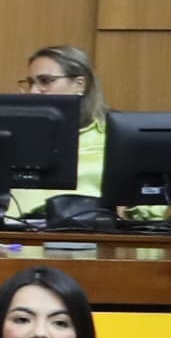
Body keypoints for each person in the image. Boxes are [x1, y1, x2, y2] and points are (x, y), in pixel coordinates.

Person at [7, 43, 112, 216]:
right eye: (30, 82)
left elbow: (148, 207)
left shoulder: (112, 138)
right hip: (18, 238)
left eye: (45, 81)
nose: (34, 91)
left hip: (89, 236)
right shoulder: (14, 138)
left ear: (80, 84)